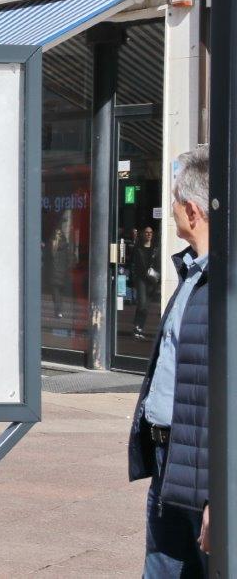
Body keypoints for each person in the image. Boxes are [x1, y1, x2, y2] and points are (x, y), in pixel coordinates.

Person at [129, 146, 211, 576]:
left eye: (176, 199)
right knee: (161, 568)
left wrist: (221, 492)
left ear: (193, 211)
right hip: (169, 457)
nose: (172, 208)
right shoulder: (193, 274)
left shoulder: (222, 287)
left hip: (203, 471)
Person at [132, 225, 163, 341]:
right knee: (142, 303)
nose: (149, 234)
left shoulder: (155, 249)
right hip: (141, 279)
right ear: (143, 234)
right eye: (146, 232)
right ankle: (137, 327)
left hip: (152, 280)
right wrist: (133, 277)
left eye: (150, 232)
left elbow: (159, 263)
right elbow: (133, 264)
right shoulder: (138, 248)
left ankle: (139, 327)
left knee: (145, 306)